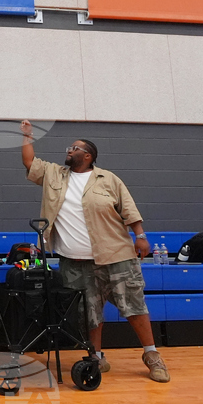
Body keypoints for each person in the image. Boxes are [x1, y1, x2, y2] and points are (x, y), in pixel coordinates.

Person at [19, 120, 169, 383]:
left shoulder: (108, 179)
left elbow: (128, 208)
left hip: (116, 256)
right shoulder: (54, 175)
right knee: (88, 312)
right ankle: (96, 357)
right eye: (69, 147)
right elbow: (29, 162)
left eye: (75, 148)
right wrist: (27, 136)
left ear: (87, 155)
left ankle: (152, 355)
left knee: (133, 306)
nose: (69, 150)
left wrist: (140, 236)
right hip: (74, 262)